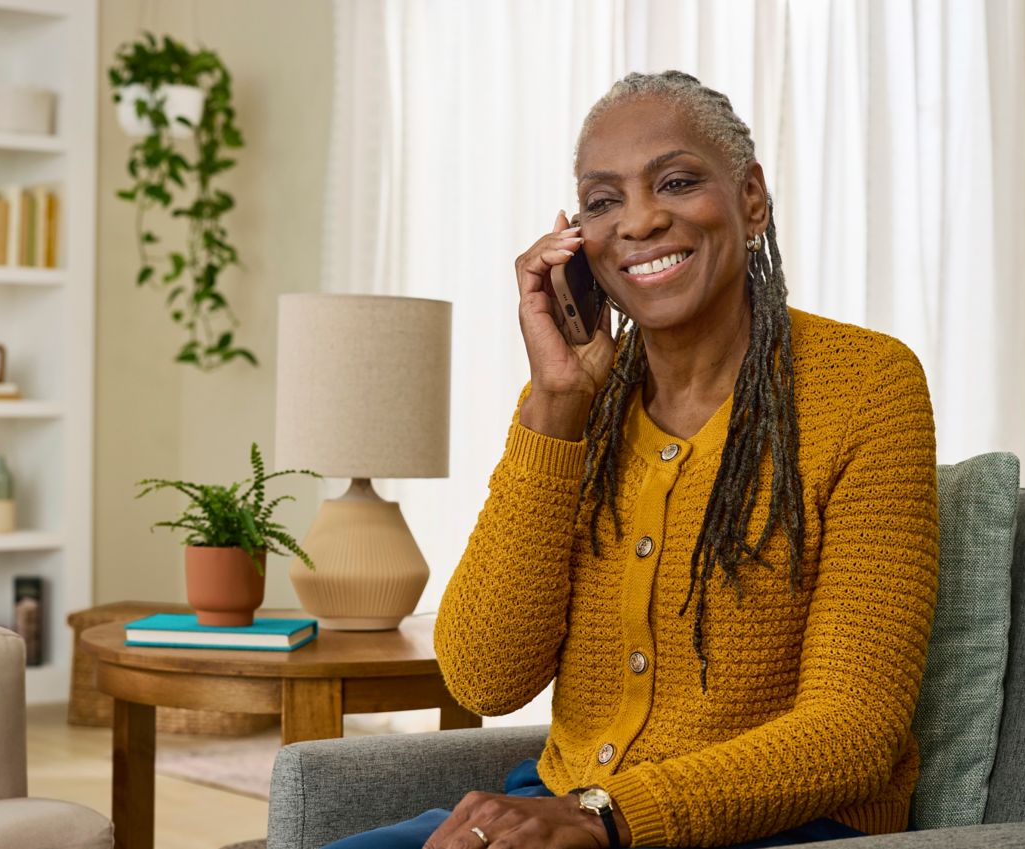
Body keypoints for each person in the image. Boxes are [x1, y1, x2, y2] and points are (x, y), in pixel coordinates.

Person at [326, 70, 939, 849]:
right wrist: (555, 407)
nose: (640, 220)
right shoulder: (576, 403)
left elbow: (853, 732)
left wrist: (603, 817)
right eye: (602, 200)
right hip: (569, 803)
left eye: (676, 182)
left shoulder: (866, 385)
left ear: (751, 198)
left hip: (774, 823)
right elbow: (484, 675)